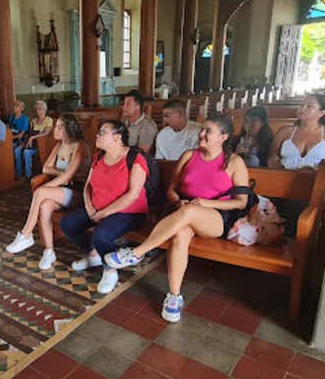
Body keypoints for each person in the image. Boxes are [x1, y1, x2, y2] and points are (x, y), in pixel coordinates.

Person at [104, 115, 251, 323]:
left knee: (189, 212)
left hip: (216, 218)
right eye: (202, 129)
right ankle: (174, 297)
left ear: (224, 137)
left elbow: (241, 202)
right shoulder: (189, 155)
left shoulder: (235, 162)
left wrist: (205, 204)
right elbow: (172, 190)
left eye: (208, 131)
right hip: (184, 212)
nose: (201, 134)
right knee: (180, 235)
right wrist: (178, 203)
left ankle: (137, 252)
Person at [60, 121, 148, 294]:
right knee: (67, 224)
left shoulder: (135, 158)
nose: (97, 136)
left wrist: (104, 213)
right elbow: (88, 186)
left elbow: (133, 195)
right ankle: (94, 254)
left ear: (117, 137)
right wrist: (89, 207)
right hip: (97, 208)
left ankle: (110, 270)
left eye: (102, 133)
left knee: (101, 235)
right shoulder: (98, 156)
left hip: (127, 211)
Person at [5, 115, 86, 269]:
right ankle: (49, 252)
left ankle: (25, 234)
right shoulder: (59, 145)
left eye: (59, 127)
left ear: (69, 129)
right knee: (45, 206)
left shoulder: (79, 146)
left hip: (79, 193)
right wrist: (59, 173)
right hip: (62, 190)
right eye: (56, 126)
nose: (55, 129)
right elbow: (46, 168)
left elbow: (69, 177)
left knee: (40, 193)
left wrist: (48, 187)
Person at [268, 93, 325, 170]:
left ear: (321, 113)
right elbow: (272, 158)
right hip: (284, 175)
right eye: (301, 105)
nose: (302, 109)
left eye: (309, 106)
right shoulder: (285, 131)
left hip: (317, 177)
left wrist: (319, 168)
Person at [15, 100, 54, 179]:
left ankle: (28, 176)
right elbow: (29, 134)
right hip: (31, 143)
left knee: (26, 152)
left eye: (40, 108)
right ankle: (19, 174)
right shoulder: (34, 120)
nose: (37, 111)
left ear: (44, 110)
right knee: (17, 150)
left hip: (41, 145)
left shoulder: (48, 120)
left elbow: (46, 133)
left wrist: (33, 137)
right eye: (36, 109)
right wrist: (24, 142)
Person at [121, 89, 158, 153]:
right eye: (124, 104)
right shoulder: (125, 122)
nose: (123, 107)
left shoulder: (147, 126)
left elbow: (142, 153)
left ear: (137, 106)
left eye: (128, 104)